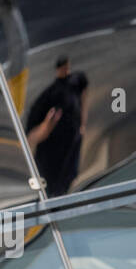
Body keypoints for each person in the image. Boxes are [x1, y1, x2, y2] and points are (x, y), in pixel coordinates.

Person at [25, 56, 88, 197]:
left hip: (72, 153)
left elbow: (84, 94)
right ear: (57, 70)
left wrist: (82, 124)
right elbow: (30, 138)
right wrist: (46, 128)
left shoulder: (76, 81)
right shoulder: (46, 97)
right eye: (63, 68)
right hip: (51, 166)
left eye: (68, 67)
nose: (67, 70)